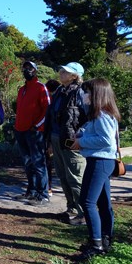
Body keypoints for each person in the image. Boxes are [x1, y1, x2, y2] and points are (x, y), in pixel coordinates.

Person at [70, 78, 120, 259]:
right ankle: (105, 238)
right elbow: (99, 135)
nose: (84, 95)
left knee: (87, 202)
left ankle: (96, 244)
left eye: (87, 92)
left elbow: (106, 141)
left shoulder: (101, 115)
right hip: (102, 161)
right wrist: (82, 135)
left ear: (97, 94)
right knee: (103, 202)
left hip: (100, 161)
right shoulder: (102, 114)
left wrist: (80, 142)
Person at [46, 63, 88, 225]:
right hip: (57, 137)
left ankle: (83, 213)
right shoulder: (59, 91)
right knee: (63, 175)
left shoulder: (81, 92)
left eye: (66, 71)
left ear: (74, 76)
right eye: (61, 70)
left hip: (72, 139)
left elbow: (87, 117)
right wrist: (49, 140)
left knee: (76, 177)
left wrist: (80, 138)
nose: (61, 72)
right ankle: (71, 207)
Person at [13, 61, 51, 206]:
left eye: (30, 68)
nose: (27, 70)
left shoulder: (41, 87)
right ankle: (31, 191)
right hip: (20, 131)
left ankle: (43, 194)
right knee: (27, 163)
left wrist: (37, 126)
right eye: (24, 68)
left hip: (34, 132)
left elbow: (47, 109)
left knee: (38, 163)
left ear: (35, 71)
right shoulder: (21, 89)